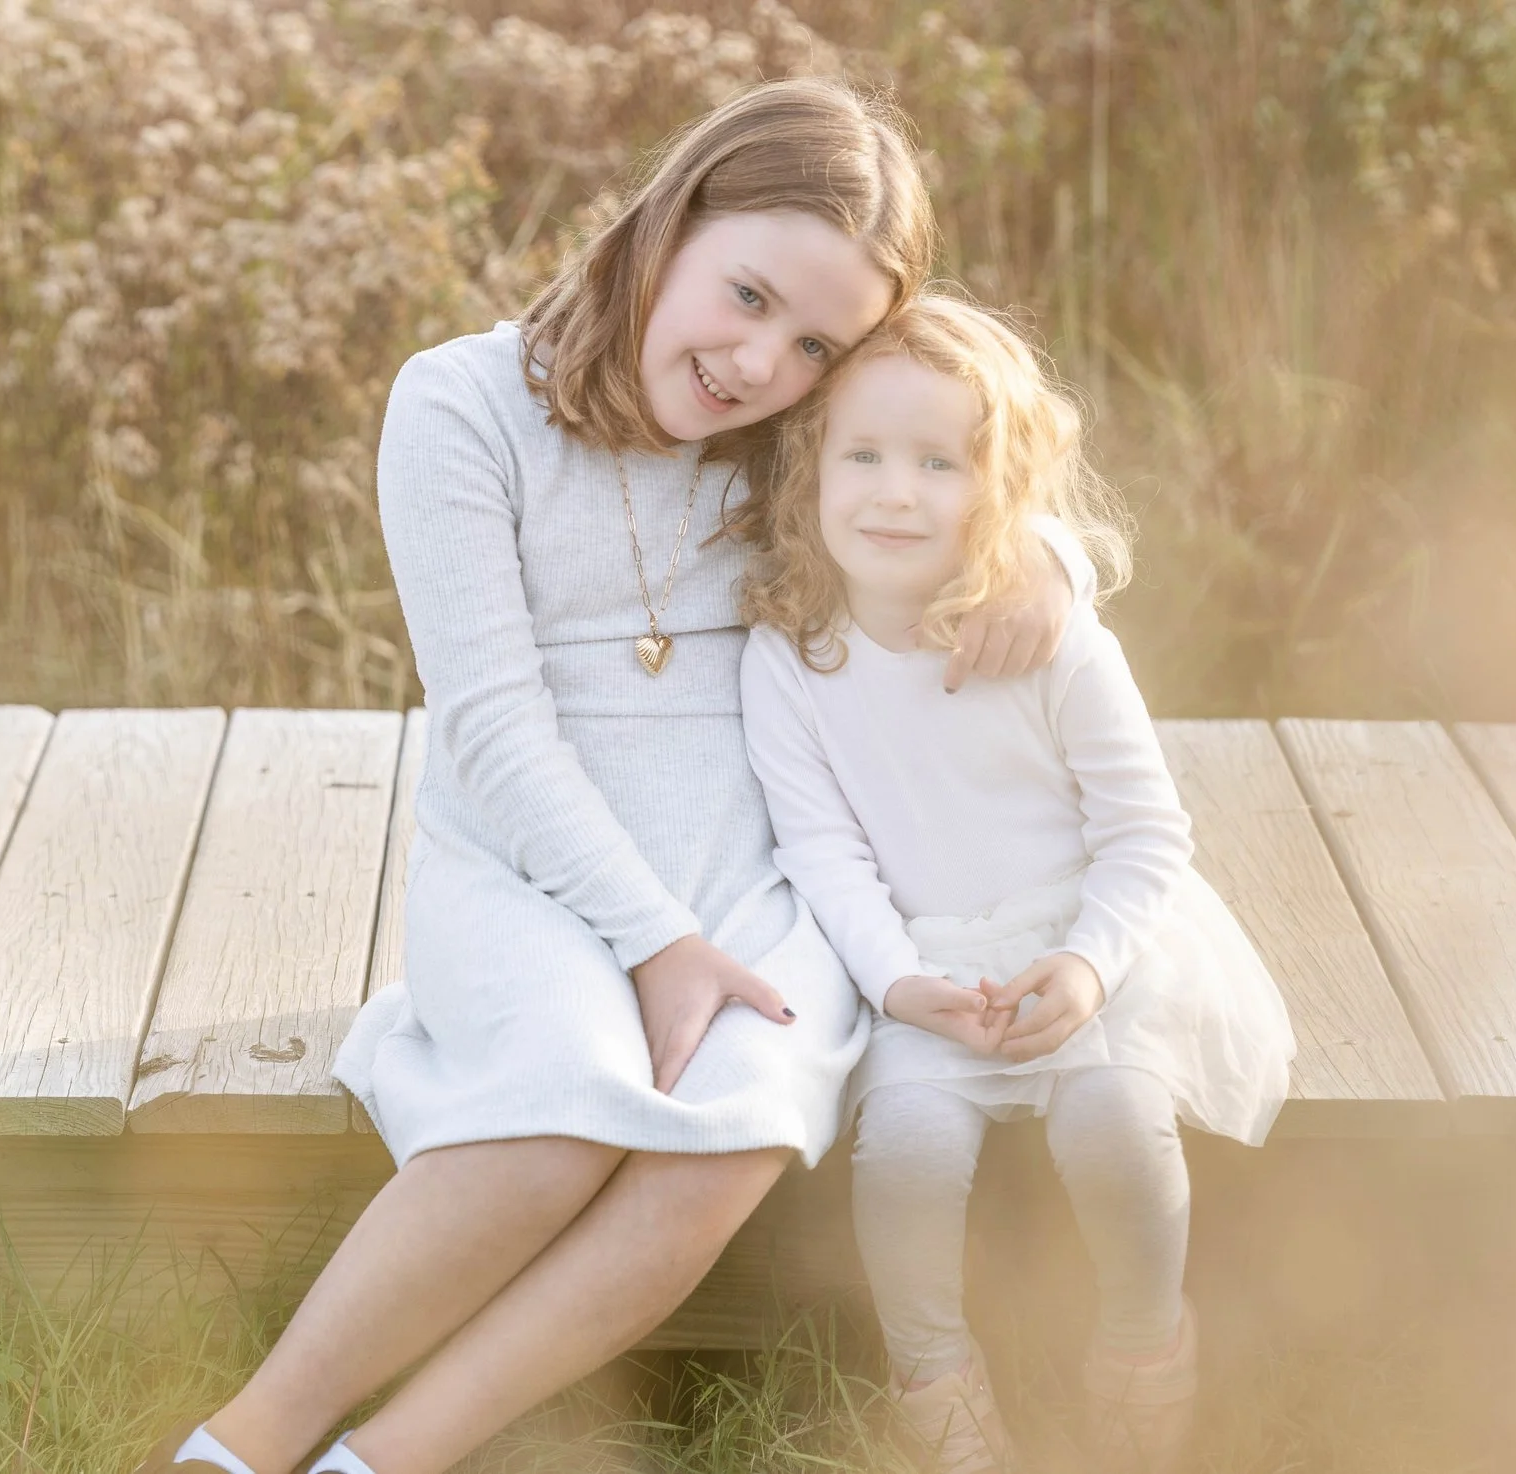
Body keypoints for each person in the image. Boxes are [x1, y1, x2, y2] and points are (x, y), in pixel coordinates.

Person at [143, 80, 1092, 1474]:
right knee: (552, 1116)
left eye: (815, 342)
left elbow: (980, 465)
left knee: (724, 1135)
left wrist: (1045, 567)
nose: (759, 361)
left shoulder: (793, 430)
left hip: (765, 865)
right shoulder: (461, 402)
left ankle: (384, 1460)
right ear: (673, 219)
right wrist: (654, 941)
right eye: (747, 294)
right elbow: (495, 723)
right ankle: (244, 1440)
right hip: (532, 860)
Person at [737, 291, 1297, 1474]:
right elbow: (819, 848)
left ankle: (1145, 1339)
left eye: (938, 463)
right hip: (924, 959)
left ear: (997, 488)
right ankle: (931, 1372)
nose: (894, 491)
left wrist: (1090, 967)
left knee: (1109, 1115)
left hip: (1087, 939)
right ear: (813, 466)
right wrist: (897, 981)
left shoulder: (1052, 642)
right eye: (865, 456)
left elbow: (1145, 832)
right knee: (909, 1148)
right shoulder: (793, 655)